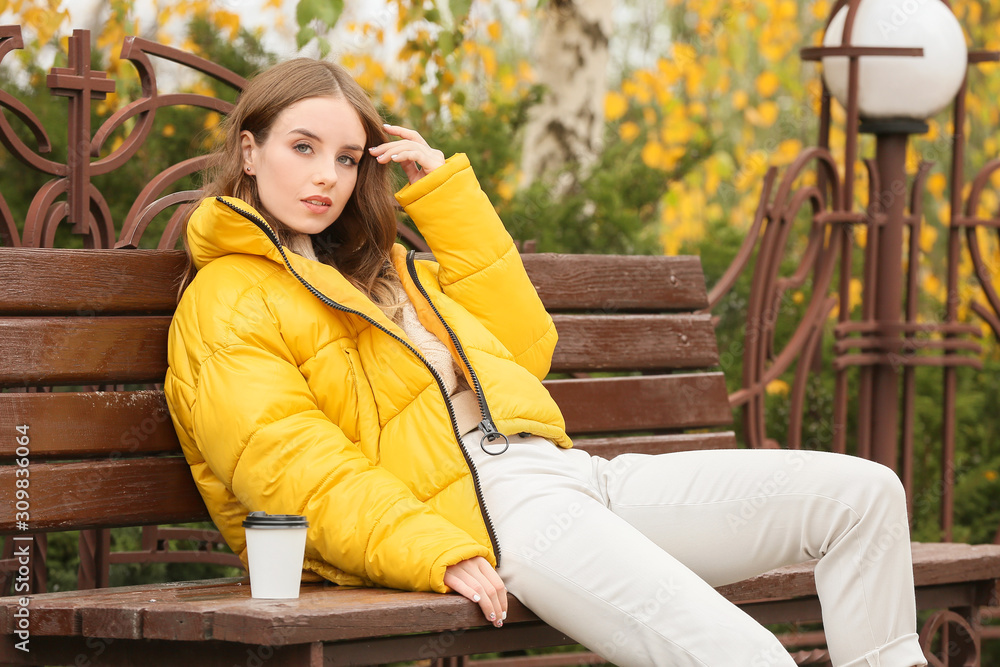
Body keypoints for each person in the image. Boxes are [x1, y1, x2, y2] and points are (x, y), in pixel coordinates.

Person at [163, 58, 928, 667]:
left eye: (349, 157)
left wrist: (448, 203)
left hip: (568, 475)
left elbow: (526, 353)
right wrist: (434, 548)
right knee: (743, 658)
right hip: (488, 514)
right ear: (249, 149)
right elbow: (292, 463)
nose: (327, 175)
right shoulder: (229, 298)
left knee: (862, 497)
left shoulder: (383, 269)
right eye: (304, 148)